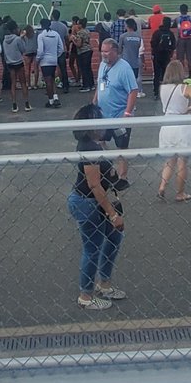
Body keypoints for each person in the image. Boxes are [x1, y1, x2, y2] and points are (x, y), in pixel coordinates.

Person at [67, 105, 127, 312]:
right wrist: (112, 214)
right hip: (87, 202)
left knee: (114, 238)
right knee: (92, 248)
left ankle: (105, 285)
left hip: (94, 201)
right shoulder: (88, 148)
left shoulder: (94, 144)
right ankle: (86, 295)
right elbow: (94, 185)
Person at [157, 59, 191, 201]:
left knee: (169, 160)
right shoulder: (185, 88)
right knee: (182, 162)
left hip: (166, 125)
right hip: (182, 126)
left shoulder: (162, 88)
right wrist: (188, 109)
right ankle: (180, 193)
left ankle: (162, 187)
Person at [93, 37, 138, 183]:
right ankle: (109, 166)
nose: (104, 54)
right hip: (103, 115)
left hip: (119, 116)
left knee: (122, 147)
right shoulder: (102, 65)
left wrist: (127, 113)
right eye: (102, 51)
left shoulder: (124, 68)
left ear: (115, 51)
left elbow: (133, 90)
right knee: (99, 141)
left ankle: (122, 177)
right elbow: (100, 84)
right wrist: (94, 101)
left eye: (106, 51)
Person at [2, 19, 31, 112]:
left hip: (10, 63)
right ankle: (26, 104)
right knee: (23, 83)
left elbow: (5, 53)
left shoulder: (4, 40)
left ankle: (14, 105)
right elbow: (23, 50)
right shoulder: (17, 39)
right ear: (14, 29)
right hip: (18, 63)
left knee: (13, 84)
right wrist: (23, 39)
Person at [36, 18, 64, 109]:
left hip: (45, 61)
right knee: (52, 79)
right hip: (53, 60)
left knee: (48, 81)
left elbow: (40, 50)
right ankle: (55, 97)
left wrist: (38, 59)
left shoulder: (41, 36)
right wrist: (56, 55)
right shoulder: (55, 34)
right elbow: (61, 48)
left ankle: (51, 100)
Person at [150, 15, 175, 97]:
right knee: (166, 74)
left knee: (157, 74)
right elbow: (173, 45)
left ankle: (156, 92)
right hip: (166, 55)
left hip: (157, 55)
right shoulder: (170, 33)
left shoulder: (157, 32)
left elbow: (152, 43)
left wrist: (154, 52)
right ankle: (165, 91)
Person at [174, 3, 191, 76]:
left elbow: (174, 26)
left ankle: (181, 74)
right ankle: (190, 74)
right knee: (190, 57)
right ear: (187, 10)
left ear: (180, 10)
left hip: (180, 39)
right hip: (189, 39)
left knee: (180, 58)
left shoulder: (178, 19)